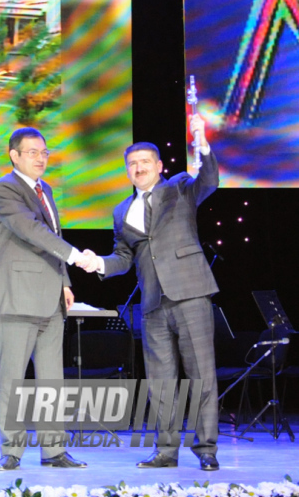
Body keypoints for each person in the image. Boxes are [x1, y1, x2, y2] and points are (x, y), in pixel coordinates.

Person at [79, 114, 220, 471]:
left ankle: (206, 450)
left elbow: (210, 179)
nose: (138, 168)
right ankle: (166, 451)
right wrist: (99, 264)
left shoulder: (180, 188)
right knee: (160, 382)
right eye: (132, 164)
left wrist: (202, 144)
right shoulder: (121, 210)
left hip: (190, 292)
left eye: (145, 162)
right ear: (127, 171)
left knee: (201, 375)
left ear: (159, 166)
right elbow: (124, 258)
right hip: (153, 302)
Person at [0, 127, 89, 471]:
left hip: (51, 298)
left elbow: (52, 238)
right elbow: (32, 231)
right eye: (32, 152)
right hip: (18, 297)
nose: (41, 158)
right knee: (13, 380)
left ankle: (54, 451)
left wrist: (64, 280)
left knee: (51, 381)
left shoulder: (45, 190)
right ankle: (12, 452)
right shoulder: (5, 189)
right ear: (14, 155)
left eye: (44, 152)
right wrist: (75, 256)